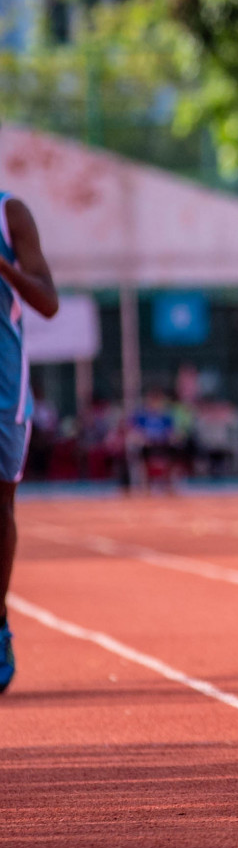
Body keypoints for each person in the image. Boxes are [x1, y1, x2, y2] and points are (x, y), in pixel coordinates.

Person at [0, 193, 60, 694]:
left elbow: (47, 302)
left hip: (1, 383)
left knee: (0, 503)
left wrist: (3, 265)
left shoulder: (10, 212)